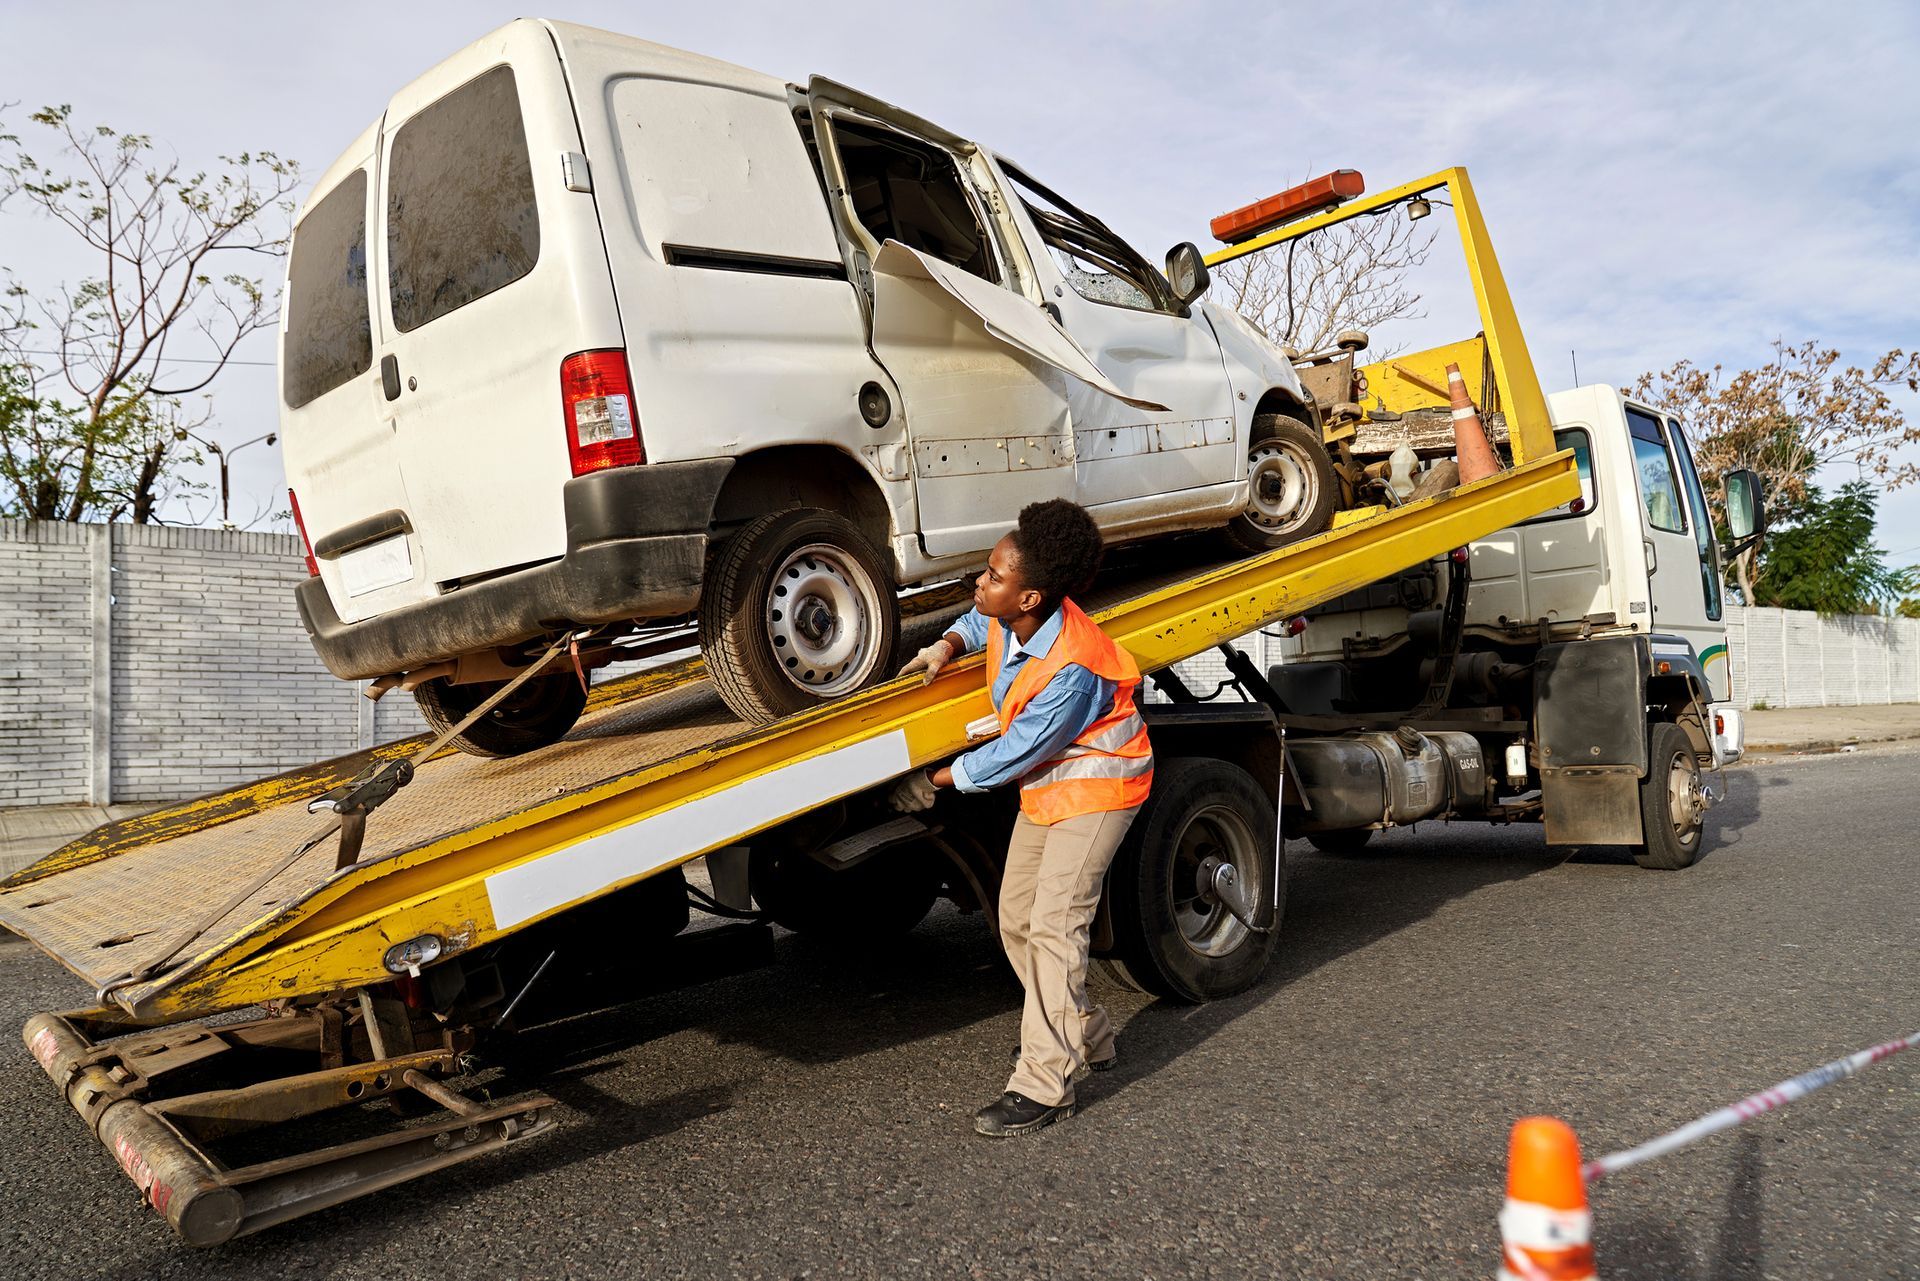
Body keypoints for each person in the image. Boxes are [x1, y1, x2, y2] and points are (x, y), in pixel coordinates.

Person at [888, 499, 1153, 1137]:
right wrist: (943, 646)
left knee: (1058, 924)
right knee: (1016, 917)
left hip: (1099, 789)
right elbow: (982, 627)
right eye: (985, 571)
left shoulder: (1073, 669)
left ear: (1029, 595)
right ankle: (1084, 1033)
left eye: (994, 576)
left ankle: (1045, 1082)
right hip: (1051, 790)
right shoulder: (1018, 617)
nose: (980, 583)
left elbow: (1015, 752)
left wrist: (934, 781)